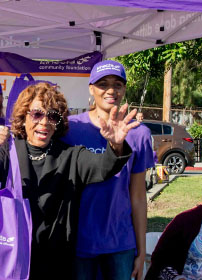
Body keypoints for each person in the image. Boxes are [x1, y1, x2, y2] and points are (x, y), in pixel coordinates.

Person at [0, 82, 140, 279]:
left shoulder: (70, 155)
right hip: (12, 256)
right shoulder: (10, 151)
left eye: (53, 116)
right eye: (37, 114)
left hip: (56, 263)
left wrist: (115, 145)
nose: (44, 122)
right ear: (23, 117)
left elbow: (104, 167)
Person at [63, 60, 155, 280]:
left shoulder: (138, 133)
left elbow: (139, 197)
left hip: (120, 244)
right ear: (91, 89)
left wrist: (141, 252)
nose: (111, 90)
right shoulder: (71, 128)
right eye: (103, 84)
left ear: (124, 89)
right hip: (78, 243)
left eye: (118, 84)